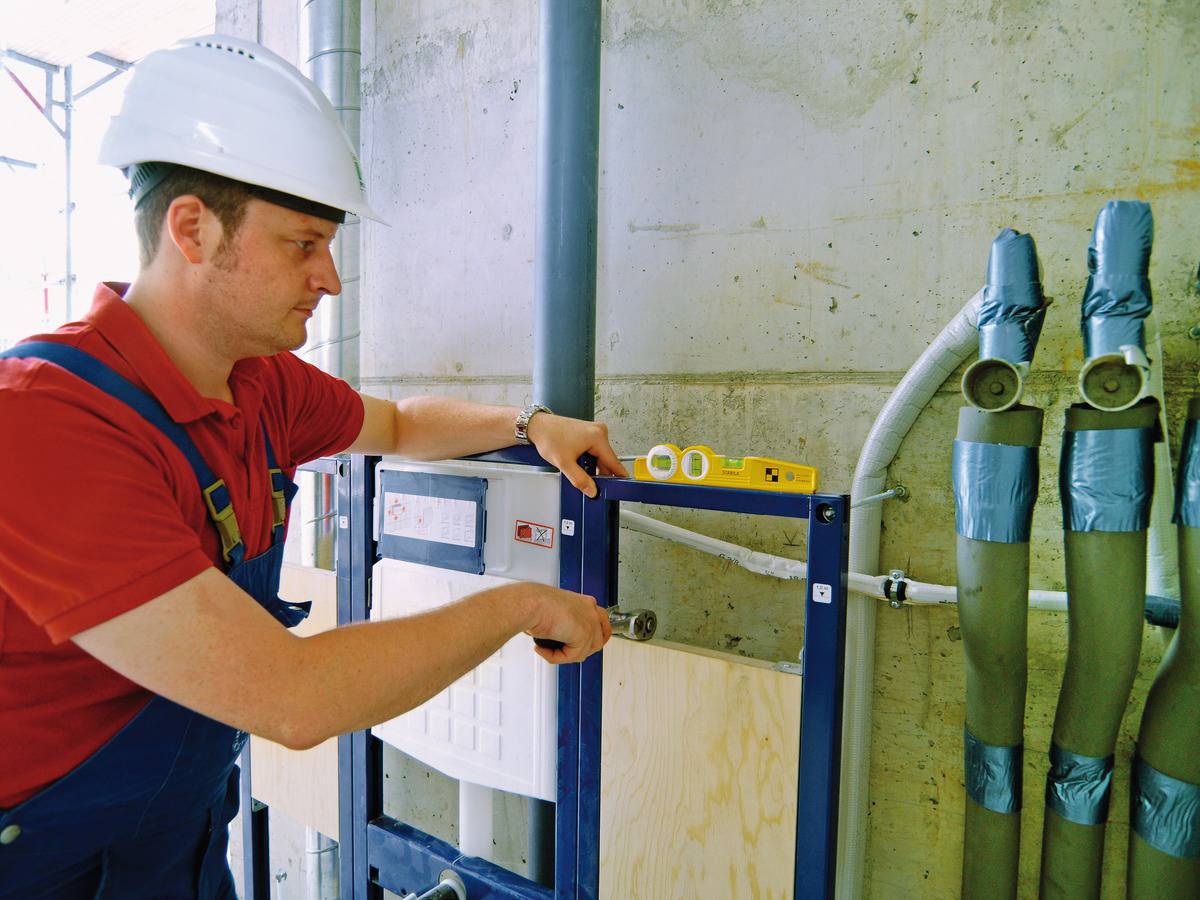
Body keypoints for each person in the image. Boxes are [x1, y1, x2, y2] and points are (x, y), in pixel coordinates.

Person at [0, 34, 624, 898]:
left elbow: (400, 425)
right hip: (39, 864)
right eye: (302, 244)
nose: (329, 277)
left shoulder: (258, 382)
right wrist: (521, 603)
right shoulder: (44, 425)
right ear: (192, 228)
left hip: (171, 846)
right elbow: (290, 698)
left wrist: (531, 422)